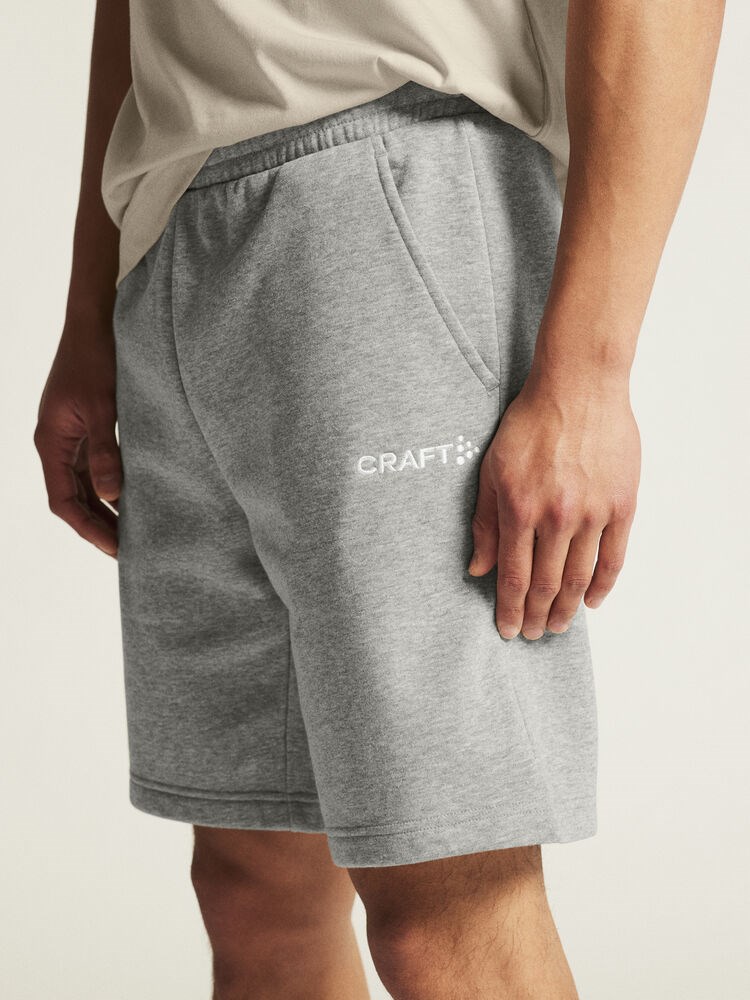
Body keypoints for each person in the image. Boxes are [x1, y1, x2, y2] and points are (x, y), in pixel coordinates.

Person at [33, 1, 724, 997]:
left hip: (388, 180)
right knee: (254, 892)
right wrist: (89, 305)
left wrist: (589, 374)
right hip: (172, 224)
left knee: (448, 915)